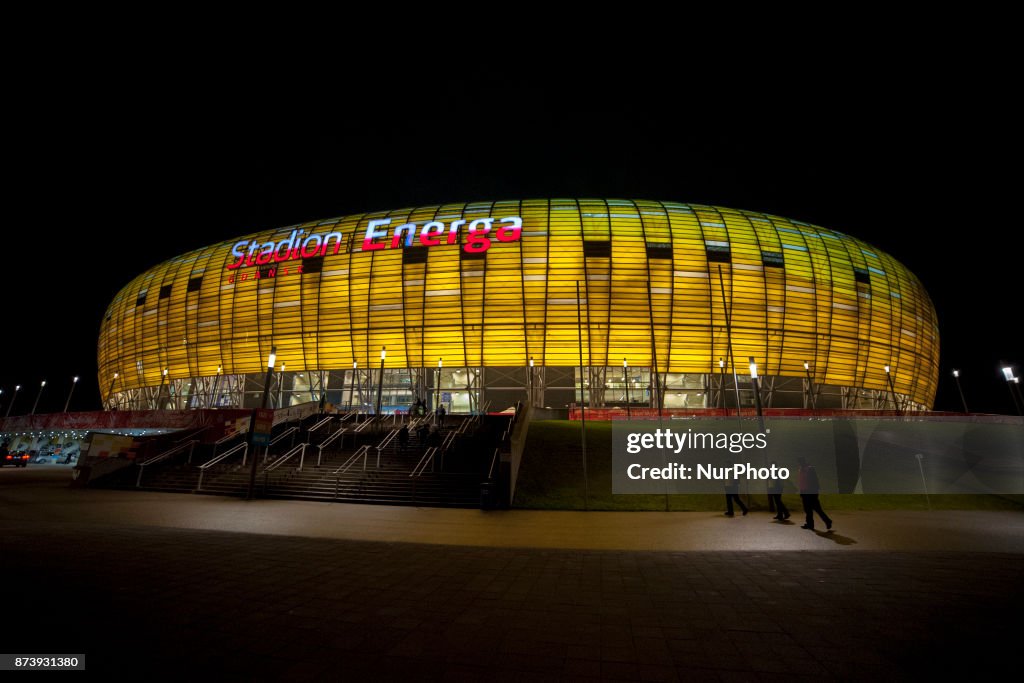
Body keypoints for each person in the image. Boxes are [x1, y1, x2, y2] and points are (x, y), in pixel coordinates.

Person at [797, 456, 832, 530]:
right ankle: (810, 524)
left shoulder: (810, 469)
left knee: (817, 509)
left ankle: (827, 521)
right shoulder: (801, 469)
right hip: (804, 492)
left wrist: (815, 493)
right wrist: (801, 491)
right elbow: (801, 482)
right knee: (807, 509)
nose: (800, 463)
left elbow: (815, 481)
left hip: (811, 492)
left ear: (804, 461)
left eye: (800, 462)